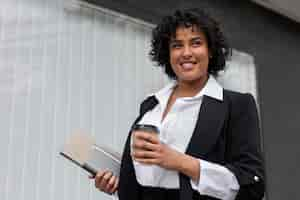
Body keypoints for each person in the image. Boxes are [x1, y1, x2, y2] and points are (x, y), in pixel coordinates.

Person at [91, 8, 265, 200]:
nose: (186, 53)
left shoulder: (237, 105)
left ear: (211, 51)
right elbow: (146, 179)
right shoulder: (151, 105)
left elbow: (251, 185)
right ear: (167, 53)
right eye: (177, 45)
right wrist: (119, 181)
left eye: (196, 43)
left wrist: (181, 162)